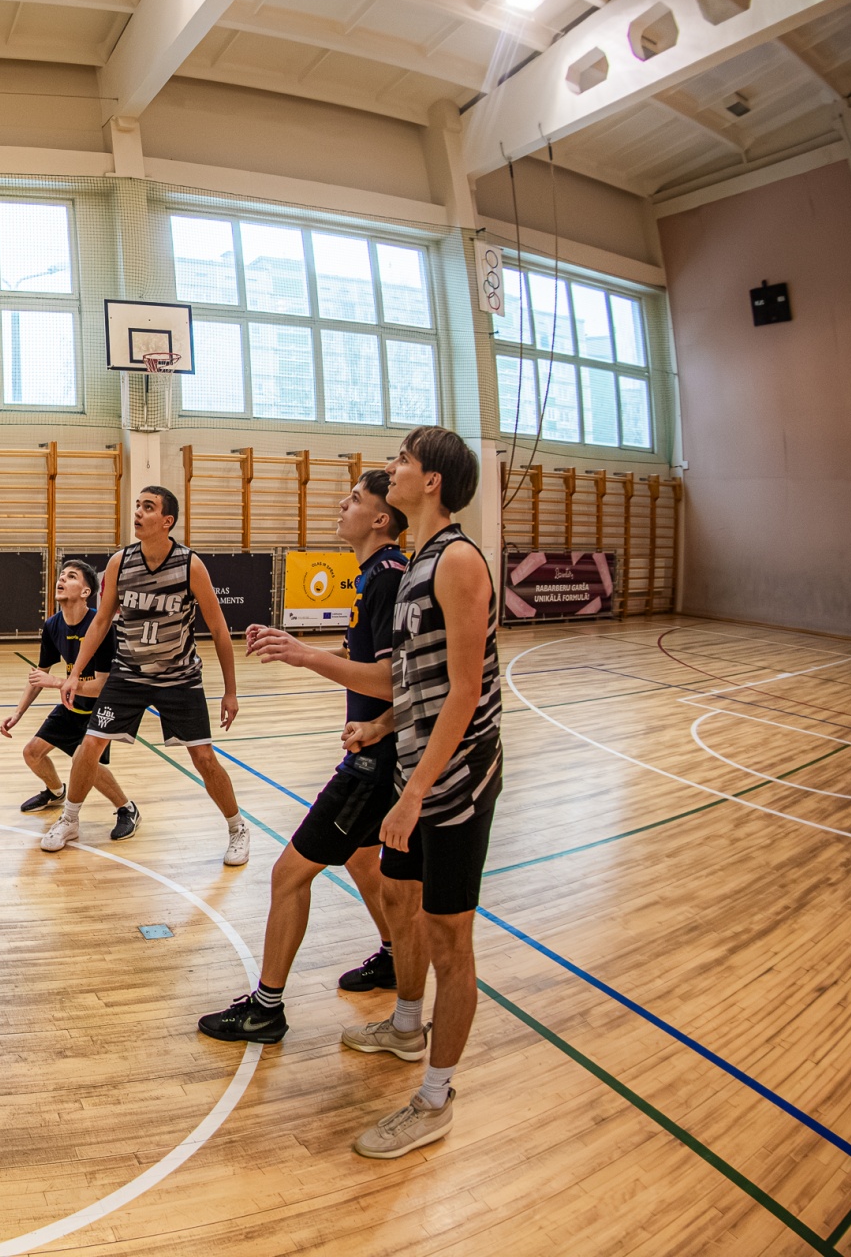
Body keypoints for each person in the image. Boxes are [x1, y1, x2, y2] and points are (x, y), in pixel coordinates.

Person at [196, 471, 413, 1049]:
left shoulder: (389, 577)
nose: (342, 505)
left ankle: (266, 1009)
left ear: (380, 519)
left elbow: (394, 679)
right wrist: (298, 647)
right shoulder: (374, 573)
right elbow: (364, 655)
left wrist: (304, 656)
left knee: (289, 874)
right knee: (363, 861)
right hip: (376, 746)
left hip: (375, 763)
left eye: (354, 500)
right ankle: (395, 957)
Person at [331, 427, 500, 1159]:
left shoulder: (457, 560)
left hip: (456, 780)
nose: (390, 468)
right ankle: (406, 1025)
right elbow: (416, 680)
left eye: (402, 460)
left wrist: (414, 792)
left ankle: (436, 1099)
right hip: (411, 761)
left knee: (448, 936)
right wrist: (384, 726)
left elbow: (464, 692)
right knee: (400, 899)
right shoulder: (417, 563)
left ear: (431, 481)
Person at [50, 486, 249, 863]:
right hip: (129, 674)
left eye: (148, 507)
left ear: (167, 521)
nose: (138, 512)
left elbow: (219, 630)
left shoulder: (190, 565)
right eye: (137, 505)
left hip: (179, 677)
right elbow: (102, 621)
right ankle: (70, 819)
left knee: (204, 758)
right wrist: (75, 674)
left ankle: (238, 828)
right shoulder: (120, 562)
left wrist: (230, 691)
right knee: (89, 745)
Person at [0, 559, 138, 839]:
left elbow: (102, 687)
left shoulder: (101, 626)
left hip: (102, 706)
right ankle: (55, 792)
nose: (61, 579)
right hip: (73, 703)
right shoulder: (53, 625)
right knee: (32, 753)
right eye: (61, 575)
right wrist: (18, 713)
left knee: (84, 762)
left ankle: (127, 808)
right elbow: (40, 673)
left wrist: (57, 683)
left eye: (71, 576)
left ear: (86, 592)